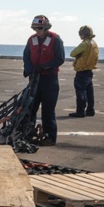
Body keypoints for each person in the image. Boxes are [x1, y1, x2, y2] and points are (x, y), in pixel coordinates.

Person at [22, 14, 65, 146]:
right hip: (35, 79)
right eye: (35, 29)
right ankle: (29, 133)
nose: (37, 31)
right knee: (31, 108)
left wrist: (45, 66)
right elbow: (26, 56)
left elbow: (60, 59)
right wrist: (29, 69)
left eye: (40, 28)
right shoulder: (32, 40)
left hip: (49, 80)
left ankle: (50, 137)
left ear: (46, 27)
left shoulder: (55, 39)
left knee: (48, 110)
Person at [68, 25, 99, 117]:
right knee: (89, 92)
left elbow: (72, 53)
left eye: (80, 33)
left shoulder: (84, 44)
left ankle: (80, 111)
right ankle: (90, 110)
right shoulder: (94, 43)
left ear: (83, 34)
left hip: (82, 71)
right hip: (89, 71)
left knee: (80, 91)